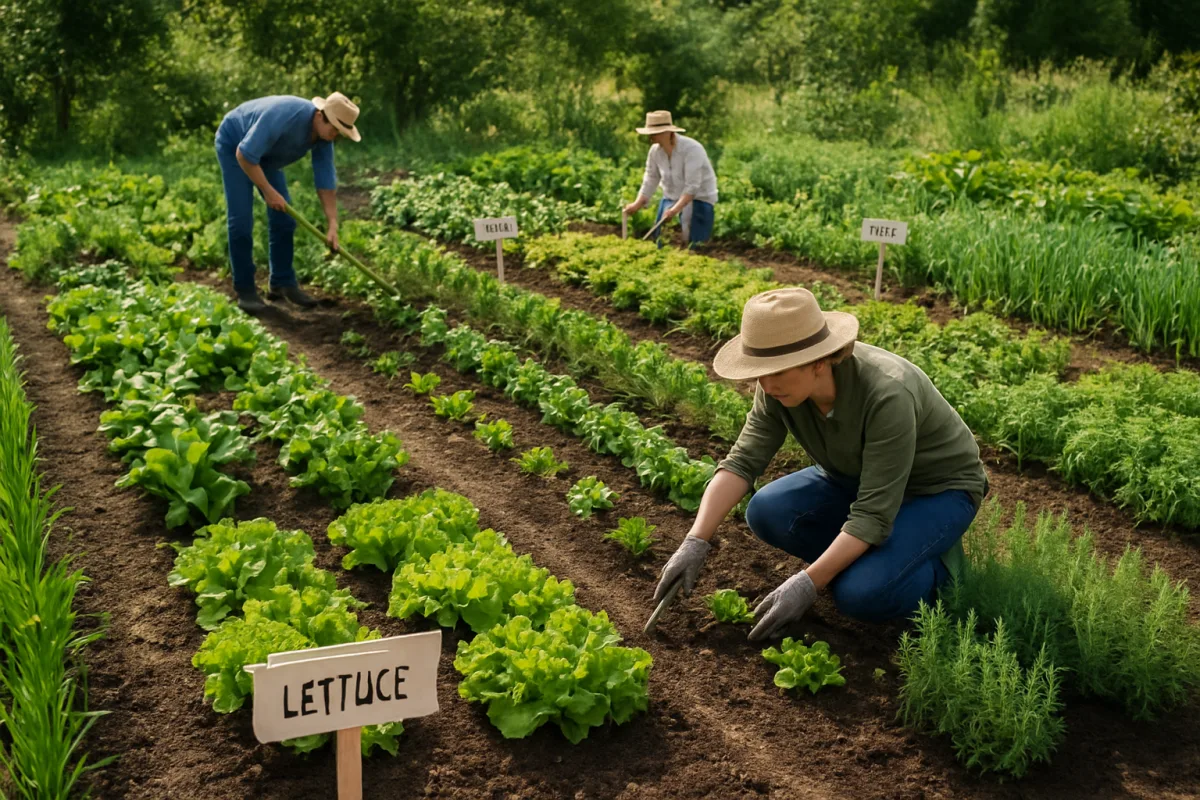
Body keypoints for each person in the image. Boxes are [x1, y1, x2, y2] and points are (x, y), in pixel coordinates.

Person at [652, 288, 989, 641]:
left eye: (776, 371)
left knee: (860, 595)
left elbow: (872, 513)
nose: (765, 384)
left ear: (818, 361)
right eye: (759, 372)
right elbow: (742, 461)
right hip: (855, 478)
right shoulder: (777, 387)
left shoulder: (888, 393)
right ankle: (873, 560)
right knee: (767, 510)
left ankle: (937, 580)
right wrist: (695, 540)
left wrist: (808, 583)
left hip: (936, 491)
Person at [215, 92, 362, 313]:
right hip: (235, 144)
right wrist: (268, 191)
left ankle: (281, 282)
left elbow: (325, 180)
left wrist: (333, 223)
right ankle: (245, 290)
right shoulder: (284, 115)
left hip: (265, 154)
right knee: (241, 220)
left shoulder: (324, 137)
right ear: (319, 115)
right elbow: (244, 154)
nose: (334, 136)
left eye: (339, 133)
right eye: (334, 129)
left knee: (284, 218)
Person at [622, 110, 718, 250]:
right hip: (670, 197)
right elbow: (651, 178)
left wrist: (674, 210)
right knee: (662, 244)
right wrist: (638, 203)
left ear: (667, 132)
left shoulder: (692, 149)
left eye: (654, 133)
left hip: (698, 200)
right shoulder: (655, 151)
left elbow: (692, 187)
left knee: (694, 247)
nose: (651, 137)